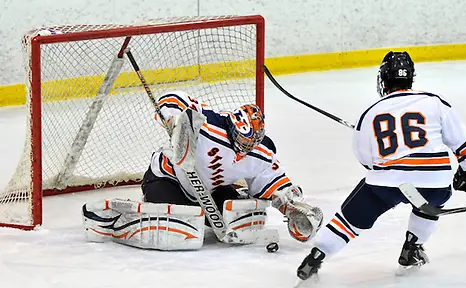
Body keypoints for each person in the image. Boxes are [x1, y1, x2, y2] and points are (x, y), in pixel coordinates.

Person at [296, 51, 466, 280]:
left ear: (384, 78)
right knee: (429, 202)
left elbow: (365, 158)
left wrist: (388, 169)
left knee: (352, 217)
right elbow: (465, 141)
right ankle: (412, 248)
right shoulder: (434, 102)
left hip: (387, 183)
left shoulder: (371, 112)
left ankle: (316, 257)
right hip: (434, 181)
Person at [82, 90, 322, 250]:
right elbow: (173, 99)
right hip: (167, 178)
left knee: (239, 218)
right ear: (233, 127)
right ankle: (116, 220)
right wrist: (176, 121)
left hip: (210, 190)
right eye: (241, 141)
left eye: (250, 145)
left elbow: (273, 182)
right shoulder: (209, 122)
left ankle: (194, 215)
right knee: (178, 226)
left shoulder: (261, 153)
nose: (243, 150)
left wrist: (291, 207)